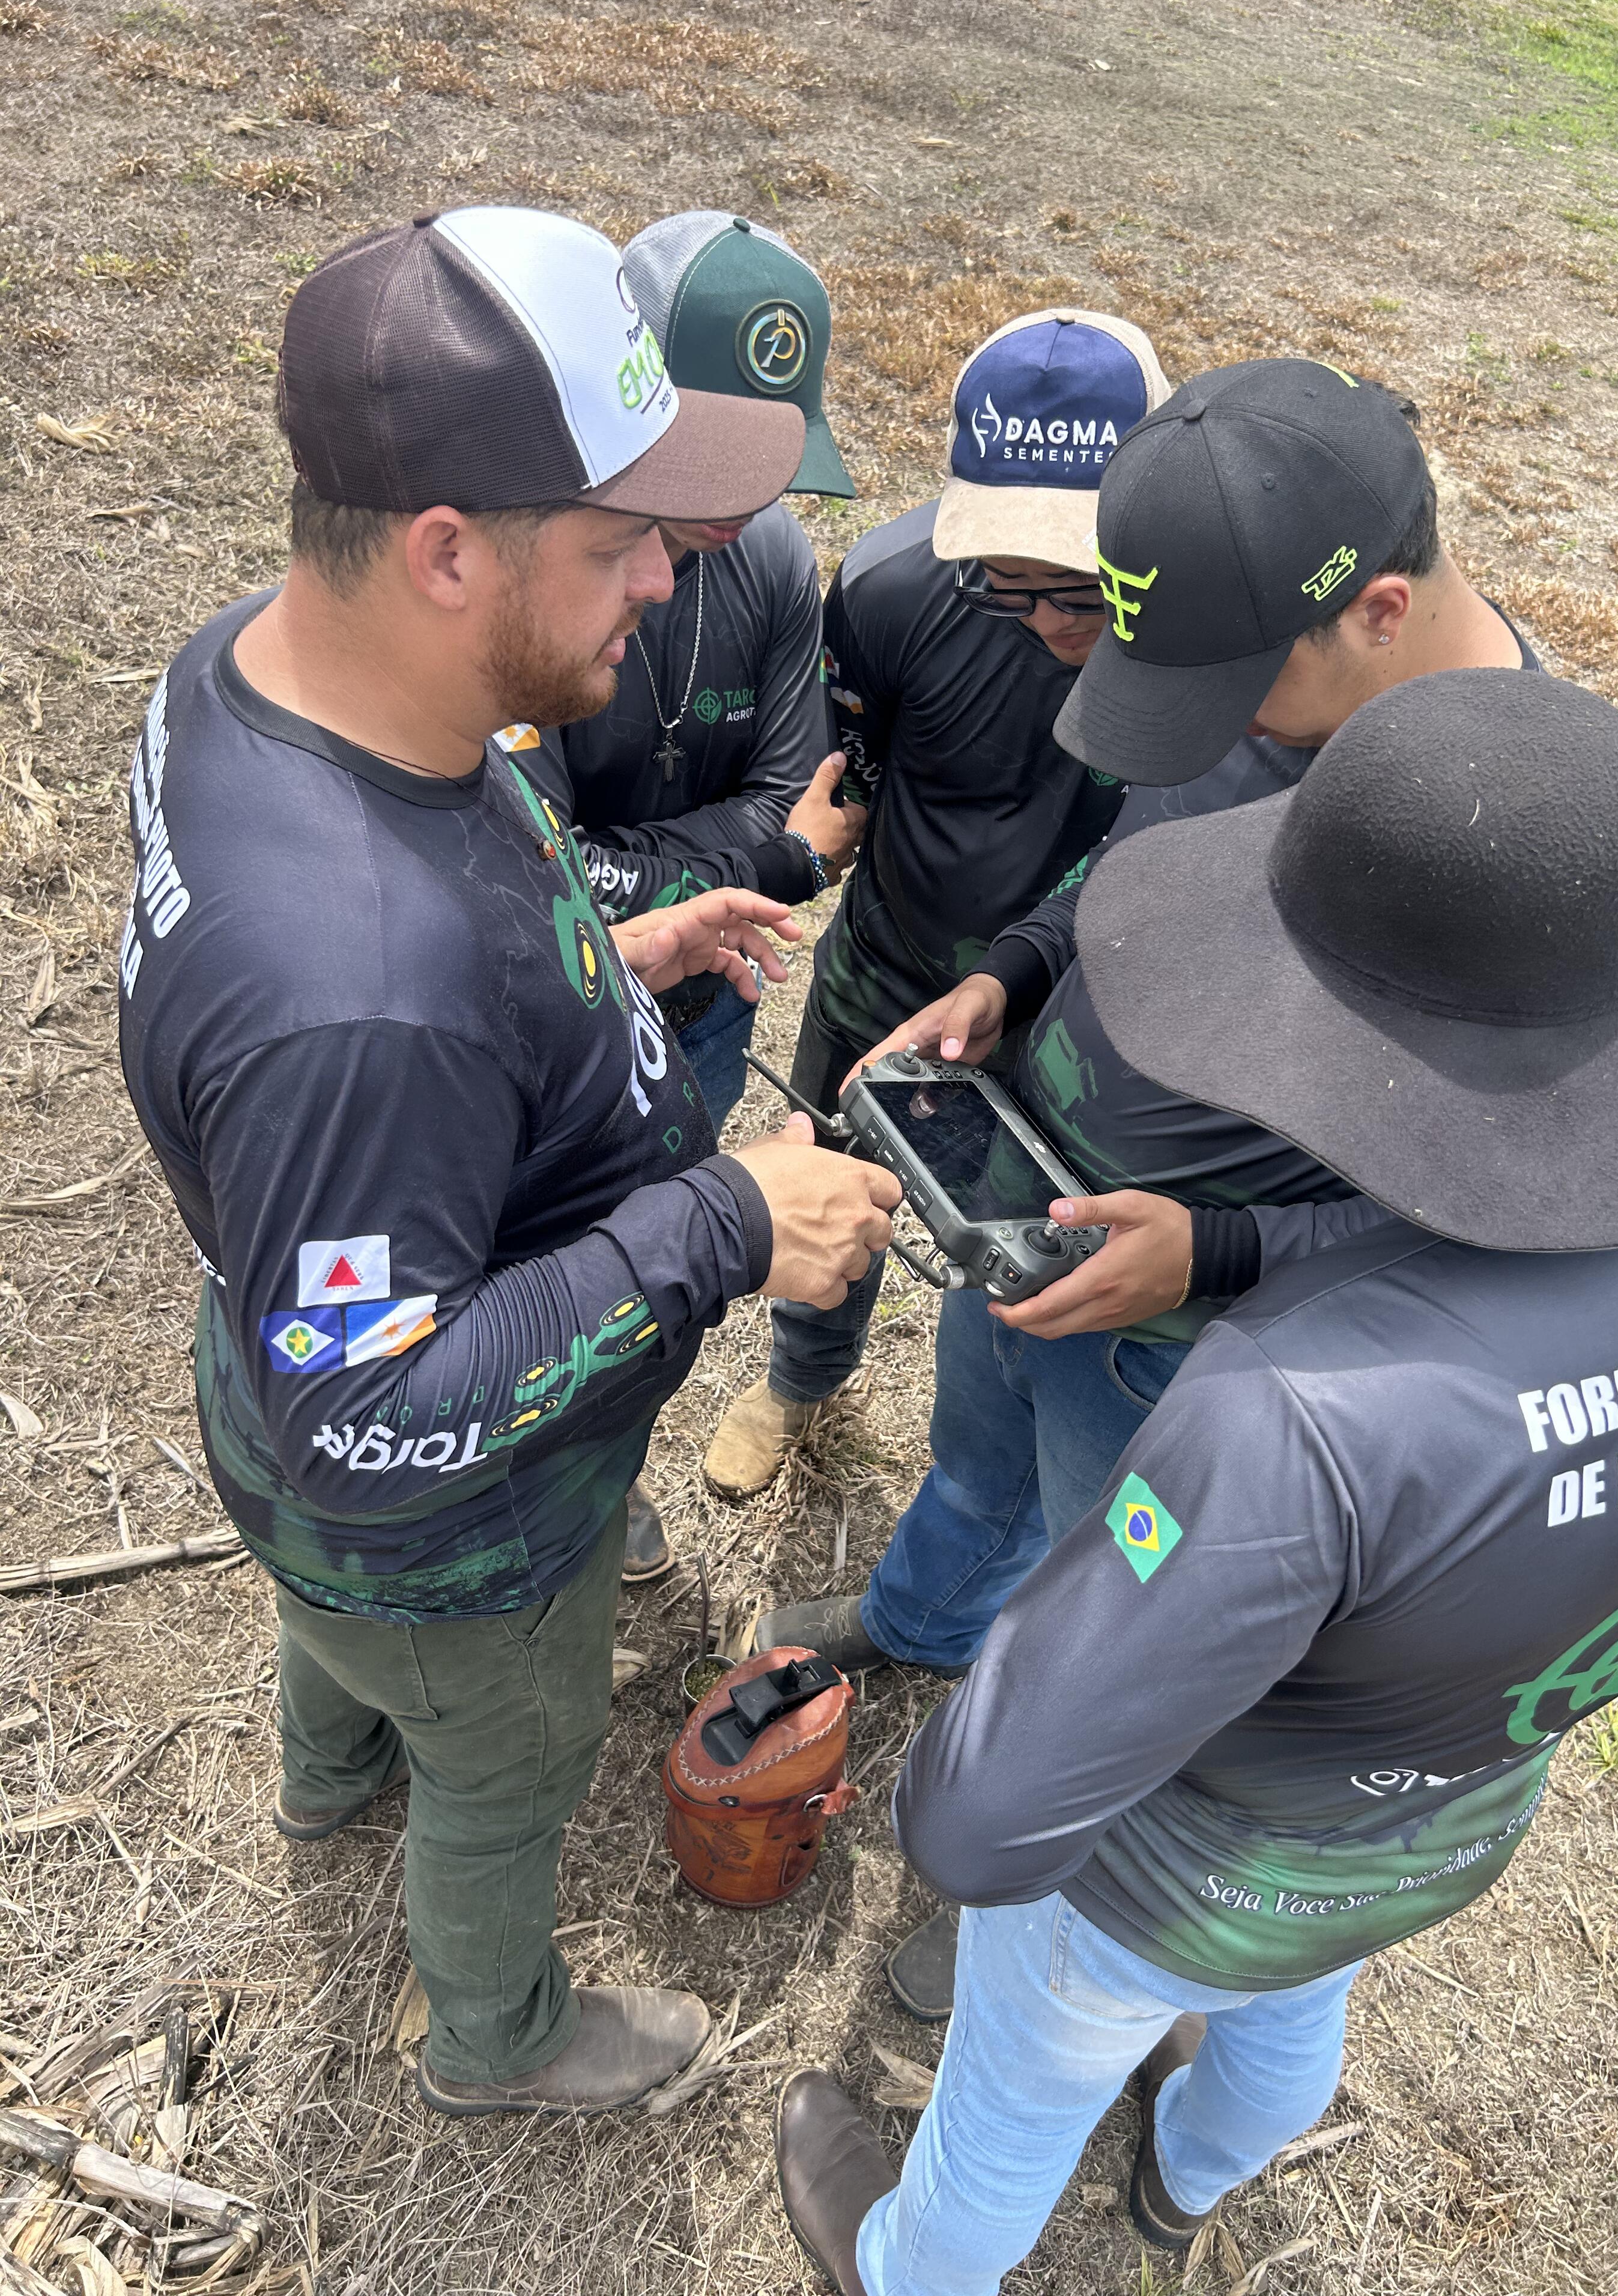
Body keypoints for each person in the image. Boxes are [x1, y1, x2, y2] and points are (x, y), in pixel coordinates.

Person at [770, 665, 1618, 2296]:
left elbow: (978, 1827)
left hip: (1183, 1861)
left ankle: (903, 2263)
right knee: (1292, 1998)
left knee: (1019, 2084)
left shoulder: (1297, 1411)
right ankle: (1186, 2180)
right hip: (1452, 1812)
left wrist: (1004, 1685)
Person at [116, 205, 899, 2119]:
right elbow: (372, 1417)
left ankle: (327, 1776)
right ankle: (496, 2034)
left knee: (340, 1643)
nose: (664, 582)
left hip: (294, 1357)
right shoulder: (360, 995)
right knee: (507, 1765)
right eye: (621, 541)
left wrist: (604, 961)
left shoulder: (265, 670)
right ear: (451, 547)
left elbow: (410, 1022)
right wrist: (724, 1219)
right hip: (448, 1531)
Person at [755, 364, 1544, 2013]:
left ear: (1379, 614)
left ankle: (1021, 1900)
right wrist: (1022, 975)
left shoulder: (1532, 843)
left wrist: (1218, 1252)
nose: (1195, 734)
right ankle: (914, 1623)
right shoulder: (1234, 651)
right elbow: (1136, 863)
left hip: (1181, 1336)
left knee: (1101, 1614)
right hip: (1030, 1203)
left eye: (1223, 704)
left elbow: (1498, 1226)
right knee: (976, 1475)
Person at [703, 308, 1171, 1499]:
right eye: (1019, 588)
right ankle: (804, 1383)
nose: (1063, 625)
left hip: (1076, 1016)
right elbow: (846, 784)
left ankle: (991, 1472)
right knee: (834, 1186)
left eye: (1089, 590)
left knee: (1038, 1248)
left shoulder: (1196, 653)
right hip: (887, 972)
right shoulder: (887, 589)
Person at [503, 209, 867, 1582]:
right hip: (551, 1000)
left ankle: (608, 1469)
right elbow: (536, 859)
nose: (730, 503)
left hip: (709, 996)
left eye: (767, 461)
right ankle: (540, 1493)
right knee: (538, 1247)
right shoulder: (538, 566)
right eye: (702, 460)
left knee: (658, 1246)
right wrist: (758, 860)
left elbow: (798, 797)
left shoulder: (771, 557)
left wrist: (693, 853)